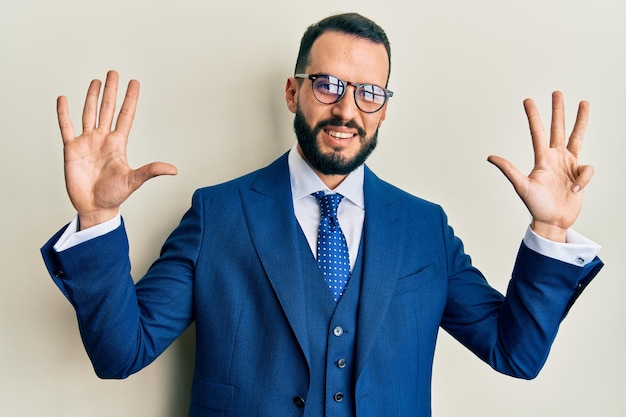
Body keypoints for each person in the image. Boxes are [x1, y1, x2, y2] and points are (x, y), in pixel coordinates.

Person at [41, 12, 603, 417]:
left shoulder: (424, 228)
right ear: (293, 92)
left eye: (368, 93)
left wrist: (550, 231)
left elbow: (515, 353)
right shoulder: (217, 214)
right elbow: (120, 353)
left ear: (384, 110)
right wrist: (96, 219)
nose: (346, 109)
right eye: (328, 84)